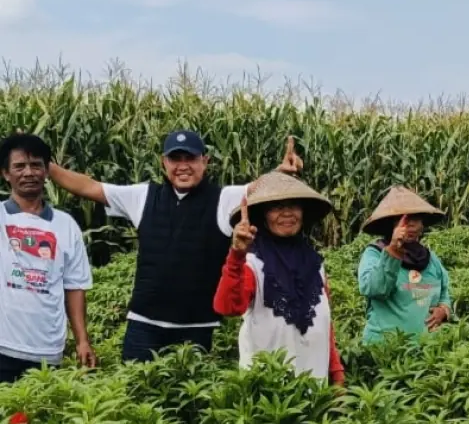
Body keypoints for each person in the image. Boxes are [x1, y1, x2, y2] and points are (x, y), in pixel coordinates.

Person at [48, 132, 302, 362]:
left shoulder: (223, 198)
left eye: (190, 158)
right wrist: (44, 165)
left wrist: (280, 172)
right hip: (143, 326)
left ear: (205, 161)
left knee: (188, 411)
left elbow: (260, 188)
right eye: (175, 158)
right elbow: (88, 186)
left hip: (196, 328)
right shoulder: (144, 196)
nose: (182, 166)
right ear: (164, 162)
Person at [212, 171, 344, 384]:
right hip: (269, 391)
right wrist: (236, 255)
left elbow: (325, 325)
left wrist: (337, 375)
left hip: (314, 390)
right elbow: (227, 307)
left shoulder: (315, 264)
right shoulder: (252, 263)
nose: (287, 213)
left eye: (293, 205)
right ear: (263, 215)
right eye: (276, 207)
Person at [0, 133, 95, 383]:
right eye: (19, 166)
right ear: (6, 174)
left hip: (48, 352)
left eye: (36, 165)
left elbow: (74, 287)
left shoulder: (66, 225)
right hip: (3, 347)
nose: (28, 172)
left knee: (41, 420)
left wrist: (82, 340)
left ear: (46, 171)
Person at [357, 186, 452, 344]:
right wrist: (394, 250)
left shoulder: (431, 258)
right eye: (404, 219)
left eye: (416, 218)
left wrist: (443, 310)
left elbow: (445, 290)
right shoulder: (374, 254)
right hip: (386, 350)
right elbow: (375, 289)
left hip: (426, 350)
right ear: (391, 225)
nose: (411, 224)